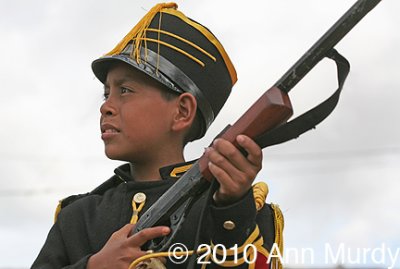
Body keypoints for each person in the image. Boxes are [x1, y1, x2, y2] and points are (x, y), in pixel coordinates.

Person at [32, 3, 283, 269]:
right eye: (107, 93)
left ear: (182, 112)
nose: (106, 105)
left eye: (125, 90)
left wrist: (231, 212)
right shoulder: (77, 218)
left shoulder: (240, 209)